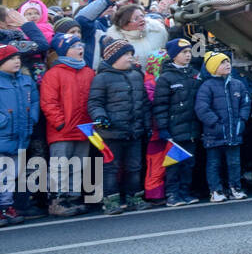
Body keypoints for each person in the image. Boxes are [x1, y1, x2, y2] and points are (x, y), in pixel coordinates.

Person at [88, 39, 149, 215]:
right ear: (114, 57)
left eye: (131, 54)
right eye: (126, 55)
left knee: (134, 167)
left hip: (134, 131)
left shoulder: (136, 75)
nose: (130, 58)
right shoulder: (102, 78)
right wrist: (100, 117)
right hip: (111, 133)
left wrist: (145, 124)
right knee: (111, 168)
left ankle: (134, 198)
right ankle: (111, 201)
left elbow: (143, 102)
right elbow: (95, 103)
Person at [40, 34, 94, 217]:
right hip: (62, 131)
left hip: (84, 129)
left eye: (81, 44)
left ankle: (72, 197)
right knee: (60, 166)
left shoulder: (88, 72)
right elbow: (49, 102)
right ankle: (57, 200)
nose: (81, 49)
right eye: (75, 46)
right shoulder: (54, 74)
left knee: (78, 164)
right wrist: (60, 123)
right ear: (64, 51)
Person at [196, 52, 250, 202]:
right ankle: (215, 190)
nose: (227, 65)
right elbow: (202, 108)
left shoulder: (237, 84)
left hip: (234, 132)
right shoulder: (207, 86)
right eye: (222, 63)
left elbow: (245, 103)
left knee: (234, 162)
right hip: (214, 134)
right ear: (213, 67)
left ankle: (235, 188)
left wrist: (242, 120)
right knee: (214, 163)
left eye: (228, 62)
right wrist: (216, 124)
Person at [152, 39, 202, 205]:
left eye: (189, 52)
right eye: (183, 53)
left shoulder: (193, 73)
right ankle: (172, 194)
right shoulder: (166, 78)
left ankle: (185, 192)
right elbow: (160, 105)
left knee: (189, 162)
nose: (188, 55)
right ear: (173, 56)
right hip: (174, 128)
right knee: (174, 163)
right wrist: (163, 128)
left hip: (191, 126)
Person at [0, 45, 41, 226]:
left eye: (18, 58)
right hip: (3, 133)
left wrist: (31, 118)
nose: (17, 61)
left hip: (20, 134)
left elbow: (34, 101)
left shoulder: (26, 80)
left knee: (12, 173)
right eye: (11, 58)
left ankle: (6, 206)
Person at [94, 2, 170, 70]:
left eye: (142, 16)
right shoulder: (115, 40)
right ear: (124, 24)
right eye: (136, 19)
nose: (142, 20)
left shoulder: (158, 30)